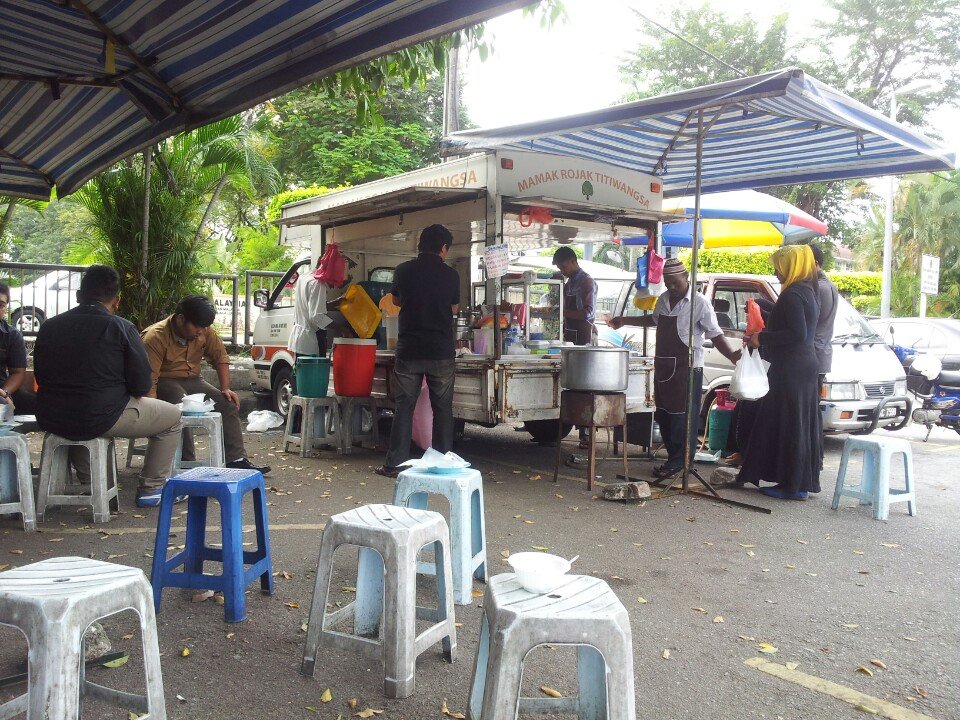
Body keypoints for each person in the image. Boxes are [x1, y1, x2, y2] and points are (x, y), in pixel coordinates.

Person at [33, 265, 182, 507]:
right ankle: (152, 488)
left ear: (79, 296)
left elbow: (40, 375)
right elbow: (142, 385)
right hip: (100, 415)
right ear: (117, 300)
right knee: (173, 418)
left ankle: (90, 483)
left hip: (51, 416)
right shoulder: (121, 327)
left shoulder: (50, 326)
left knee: (81, 413)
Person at [609, 258, 740, 479]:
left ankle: (681, 461)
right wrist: (624, 319)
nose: (671, 286)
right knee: (664, 414)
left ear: (686, 277)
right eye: (667, 282)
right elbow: (654, 319)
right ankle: (673, 456)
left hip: (686, 369)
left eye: (674, 282)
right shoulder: (663, 299)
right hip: (663, 365)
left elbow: (715, 334)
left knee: (682, 417)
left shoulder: (699, 303)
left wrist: (732, 356)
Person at [141, 295, 270, 474]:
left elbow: (220, 357)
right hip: (165, 380)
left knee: (228, 403)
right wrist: (151, 409)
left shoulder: (204, 331)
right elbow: (149, 379)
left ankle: (237, 459)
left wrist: (226, 388)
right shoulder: (155, 337)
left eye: (204, 327)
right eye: (197, 326)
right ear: (181, 319)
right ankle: (186, 463)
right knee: (181, 405)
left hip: (194, 380)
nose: (200, 332)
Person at [737, 245, 822, 500]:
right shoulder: (809, 291)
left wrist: (761, 338)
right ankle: (798, 483)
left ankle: (791, 485)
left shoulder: (793, 294)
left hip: (792, 367)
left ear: (791, 266)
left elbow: (796, 333)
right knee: (798, 423)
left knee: (788, 423)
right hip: (805, 365)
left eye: (779, 266)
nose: (776, 272)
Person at [376, 224, 460, 478]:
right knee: (442, 409)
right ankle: (443, 462)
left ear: (419, 245)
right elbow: (454, 309)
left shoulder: (403, 270)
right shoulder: (451, 275)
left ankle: (395, 464)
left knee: (404, 407)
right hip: (441, 351)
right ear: (443, 249)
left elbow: (397, 301)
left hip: (410, 350)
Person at [552, 246, 597, 345]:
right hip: (570, 336)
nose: (563, 272)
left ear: (573, 261)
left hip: (585, 337)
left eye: (564, 267)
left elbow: (588, 313)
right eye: (560, 269)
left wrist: (563, 312)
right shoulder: (568, 284)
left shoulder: (587, 281)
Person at [809, 243, 839, 383]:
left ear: (815, 263)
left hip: (814, 354)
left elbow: (806, 321)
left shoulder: (818, 288)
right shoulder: (829, 286)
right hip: (822, 355)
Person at [0, 282, 30, 415]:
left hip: (2, 387)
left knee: (37, 405)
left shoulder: (11, 335)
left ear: (5, 308)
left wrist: (5, 394)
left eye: (1, 305)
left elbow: (18, 372)